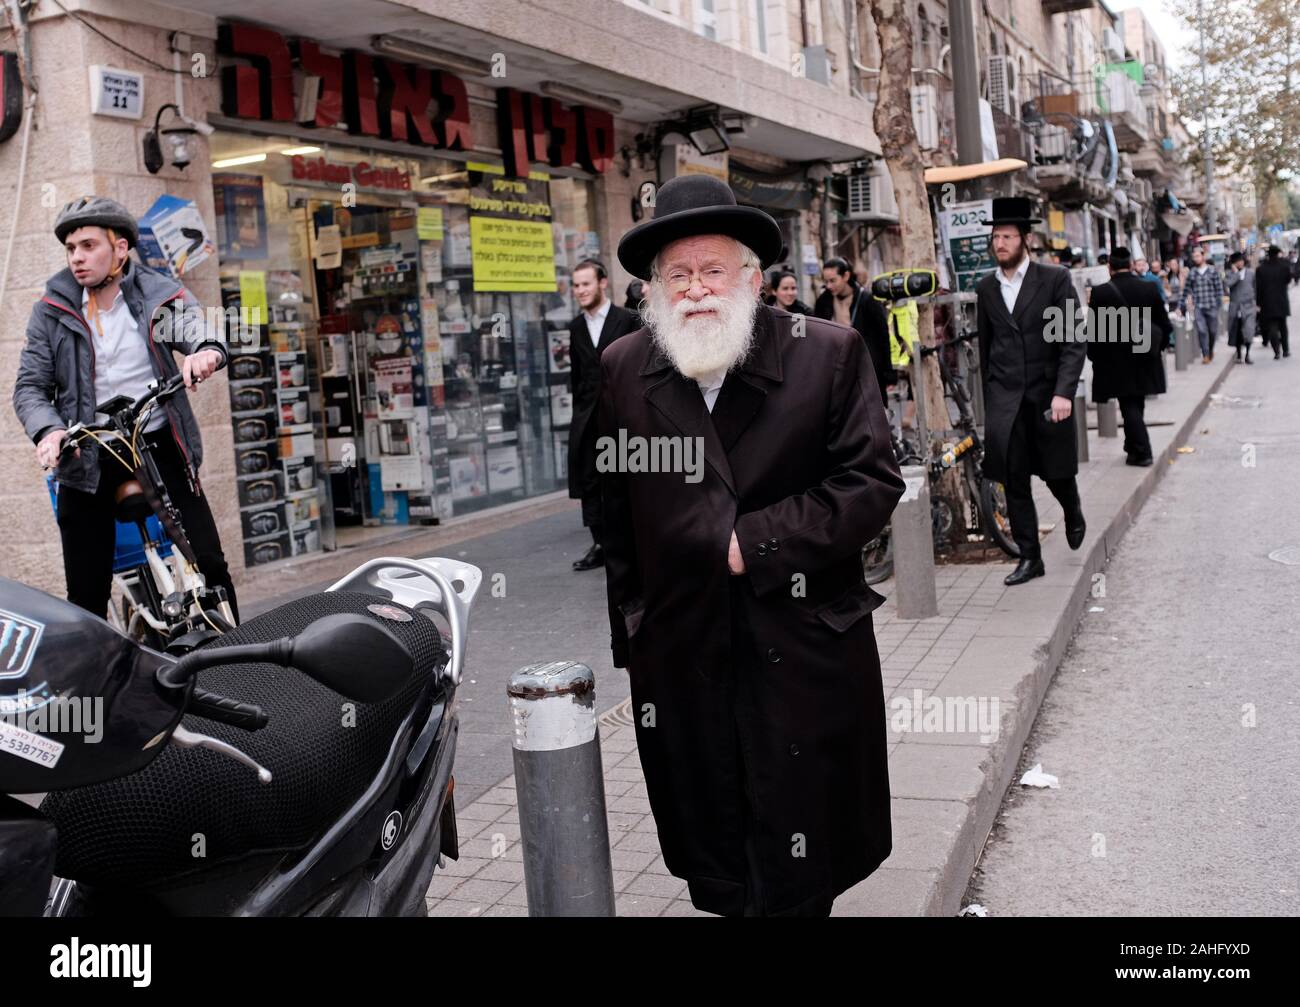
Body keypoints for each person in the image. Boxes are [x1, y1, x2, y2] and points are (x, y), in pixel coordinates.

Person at [601, 174, 904, 916]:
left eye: (712, 270)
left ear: (750, 277)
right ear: (654, 289)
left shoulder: (826, 353)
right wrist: (634, 634)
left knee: (799, 859)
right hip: (685, 655)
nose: (696, 289)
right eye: (678, 274)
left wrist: (755, 542)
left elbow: (870, 481)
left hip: (800, 650)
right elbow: (612, 515)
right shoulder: (622, 369)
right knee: (720, 853)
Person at [13, 195, 238, 620]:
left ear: (120, 249)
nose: (77, 258)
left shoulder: (156, 293)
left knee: (211, 565)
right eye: (70, 249)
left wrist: (205, 351)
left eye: (88, 246)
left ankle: (238, 662)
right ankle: (100, 680)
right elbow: (30, 387)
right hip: (86, 453)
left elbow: (195, 327)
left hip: (158, 444)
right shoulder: (51, 310)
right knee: (85, 595)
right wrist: (49, 432)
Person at [974, 196, 1087, 586]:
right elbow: (986, 348)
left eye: (1007, 236)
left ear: (1025, 239)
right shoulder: (986, 287)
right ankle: (1030, 557)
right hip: (1006, 401)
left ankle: (1072, 511)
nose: (999, 243)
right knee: (1014, 478)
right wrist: (990, 401)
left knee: (1057, 474)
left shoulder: (1054, 279)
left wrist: (1064, 392)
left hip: (1047, 395)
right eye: (995, 236)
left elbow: (1073, 338)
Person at [565, 259, 639, 571]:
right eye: (576, 285)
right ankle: (600, 543)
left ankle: (631, 541)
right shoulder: (576, 327)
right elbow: (577, 375)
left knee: (626, 477)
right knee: (590, 481)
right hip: (587, 418)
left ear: (602, 283)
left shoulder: (628, 320)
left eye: (586, 283)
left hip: (622, 415)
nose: (580, 290)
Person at [1086, 247, 1171, 466]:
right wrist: (1157, 348)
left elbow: (1094, 331)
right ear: (1132, 265)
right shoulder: (1149, 288)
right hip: (1145, 356)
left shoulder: (1100, 292)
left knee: (1128, 404)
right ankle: (1132, 447)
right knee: (1136, 401)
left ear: (1109, 267)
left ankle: (1143, 452)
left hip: (1116, 360)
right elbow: (1164, 324)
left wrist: (1094, 356)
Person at [813, 256, 893, 405]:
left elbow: (883, 336)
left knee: (871, 409)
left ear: (846, 276)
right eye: (826, 281)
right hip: (836, 367)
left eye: (833, 280)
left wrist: (888, 371)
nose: (829, 286)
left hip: (865, 366)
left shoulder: (867, 300)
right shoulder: (823, 301)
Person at [1183, 245, 1225, 363]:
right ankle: (1205, 354)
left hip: (1211, 305)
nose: (1196, 258)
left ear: (1203, 256)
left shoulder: (1213, 271)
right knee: (1201, 331)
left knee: (1212, 331)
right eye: (1194, 257)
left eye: (1197, 256)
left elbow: (1219, 289)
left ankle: (1210, 350)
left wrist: (1218, 305)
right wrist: (1182, 305)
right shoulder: (1192, 273)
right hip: (1199, 307)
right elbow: (1186, 290)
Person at [1256, 244, 1292, 359]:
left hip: (1267, 302)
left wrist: (1258, 303)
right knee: (1283, 327)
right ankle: (1286, 350)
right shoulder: (1284, 267)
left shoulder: (1261, 269)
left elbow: (1259, 288)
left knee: (1272, 327)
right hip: (1281, 300)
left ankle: (1276, 351)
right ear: (1277, 254)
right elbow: (1288, 280)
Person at [1225, 251, 1257, 364]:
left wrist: (1256, 304)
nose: (1239, 263)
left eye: (1241, 261)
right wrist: (1236, 275)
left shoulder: (1251, 273)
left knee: (1249, 331)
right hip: (1235, 307)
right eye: (1237, 262)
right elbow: (1227, 285)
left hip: (1248, 306)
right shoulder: (1230, 274)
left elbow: (1255, 288)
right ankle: (1239, 354)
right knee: (1237, 332)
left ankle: (1247, 354)